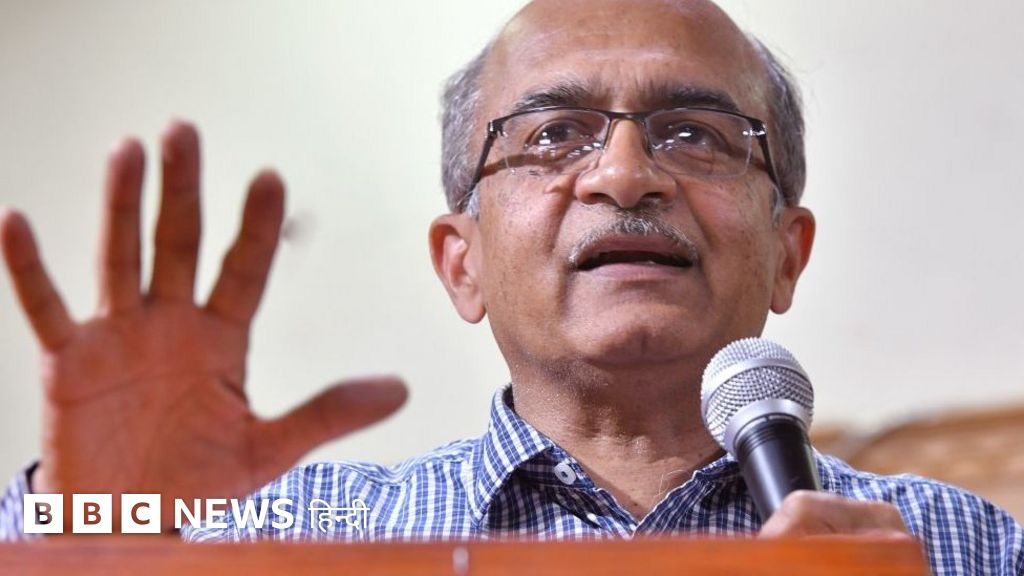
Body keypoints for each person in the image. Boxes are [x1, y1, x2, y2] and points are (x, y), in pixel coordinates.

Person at [0, 0, 1021, 573]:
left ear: (786, 252)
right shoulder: (275, 538)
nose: (625, 175)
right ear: (464, 262)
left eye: (695, 134)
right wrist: (88, 520)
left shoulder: (961, 546)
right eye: (552, 134)